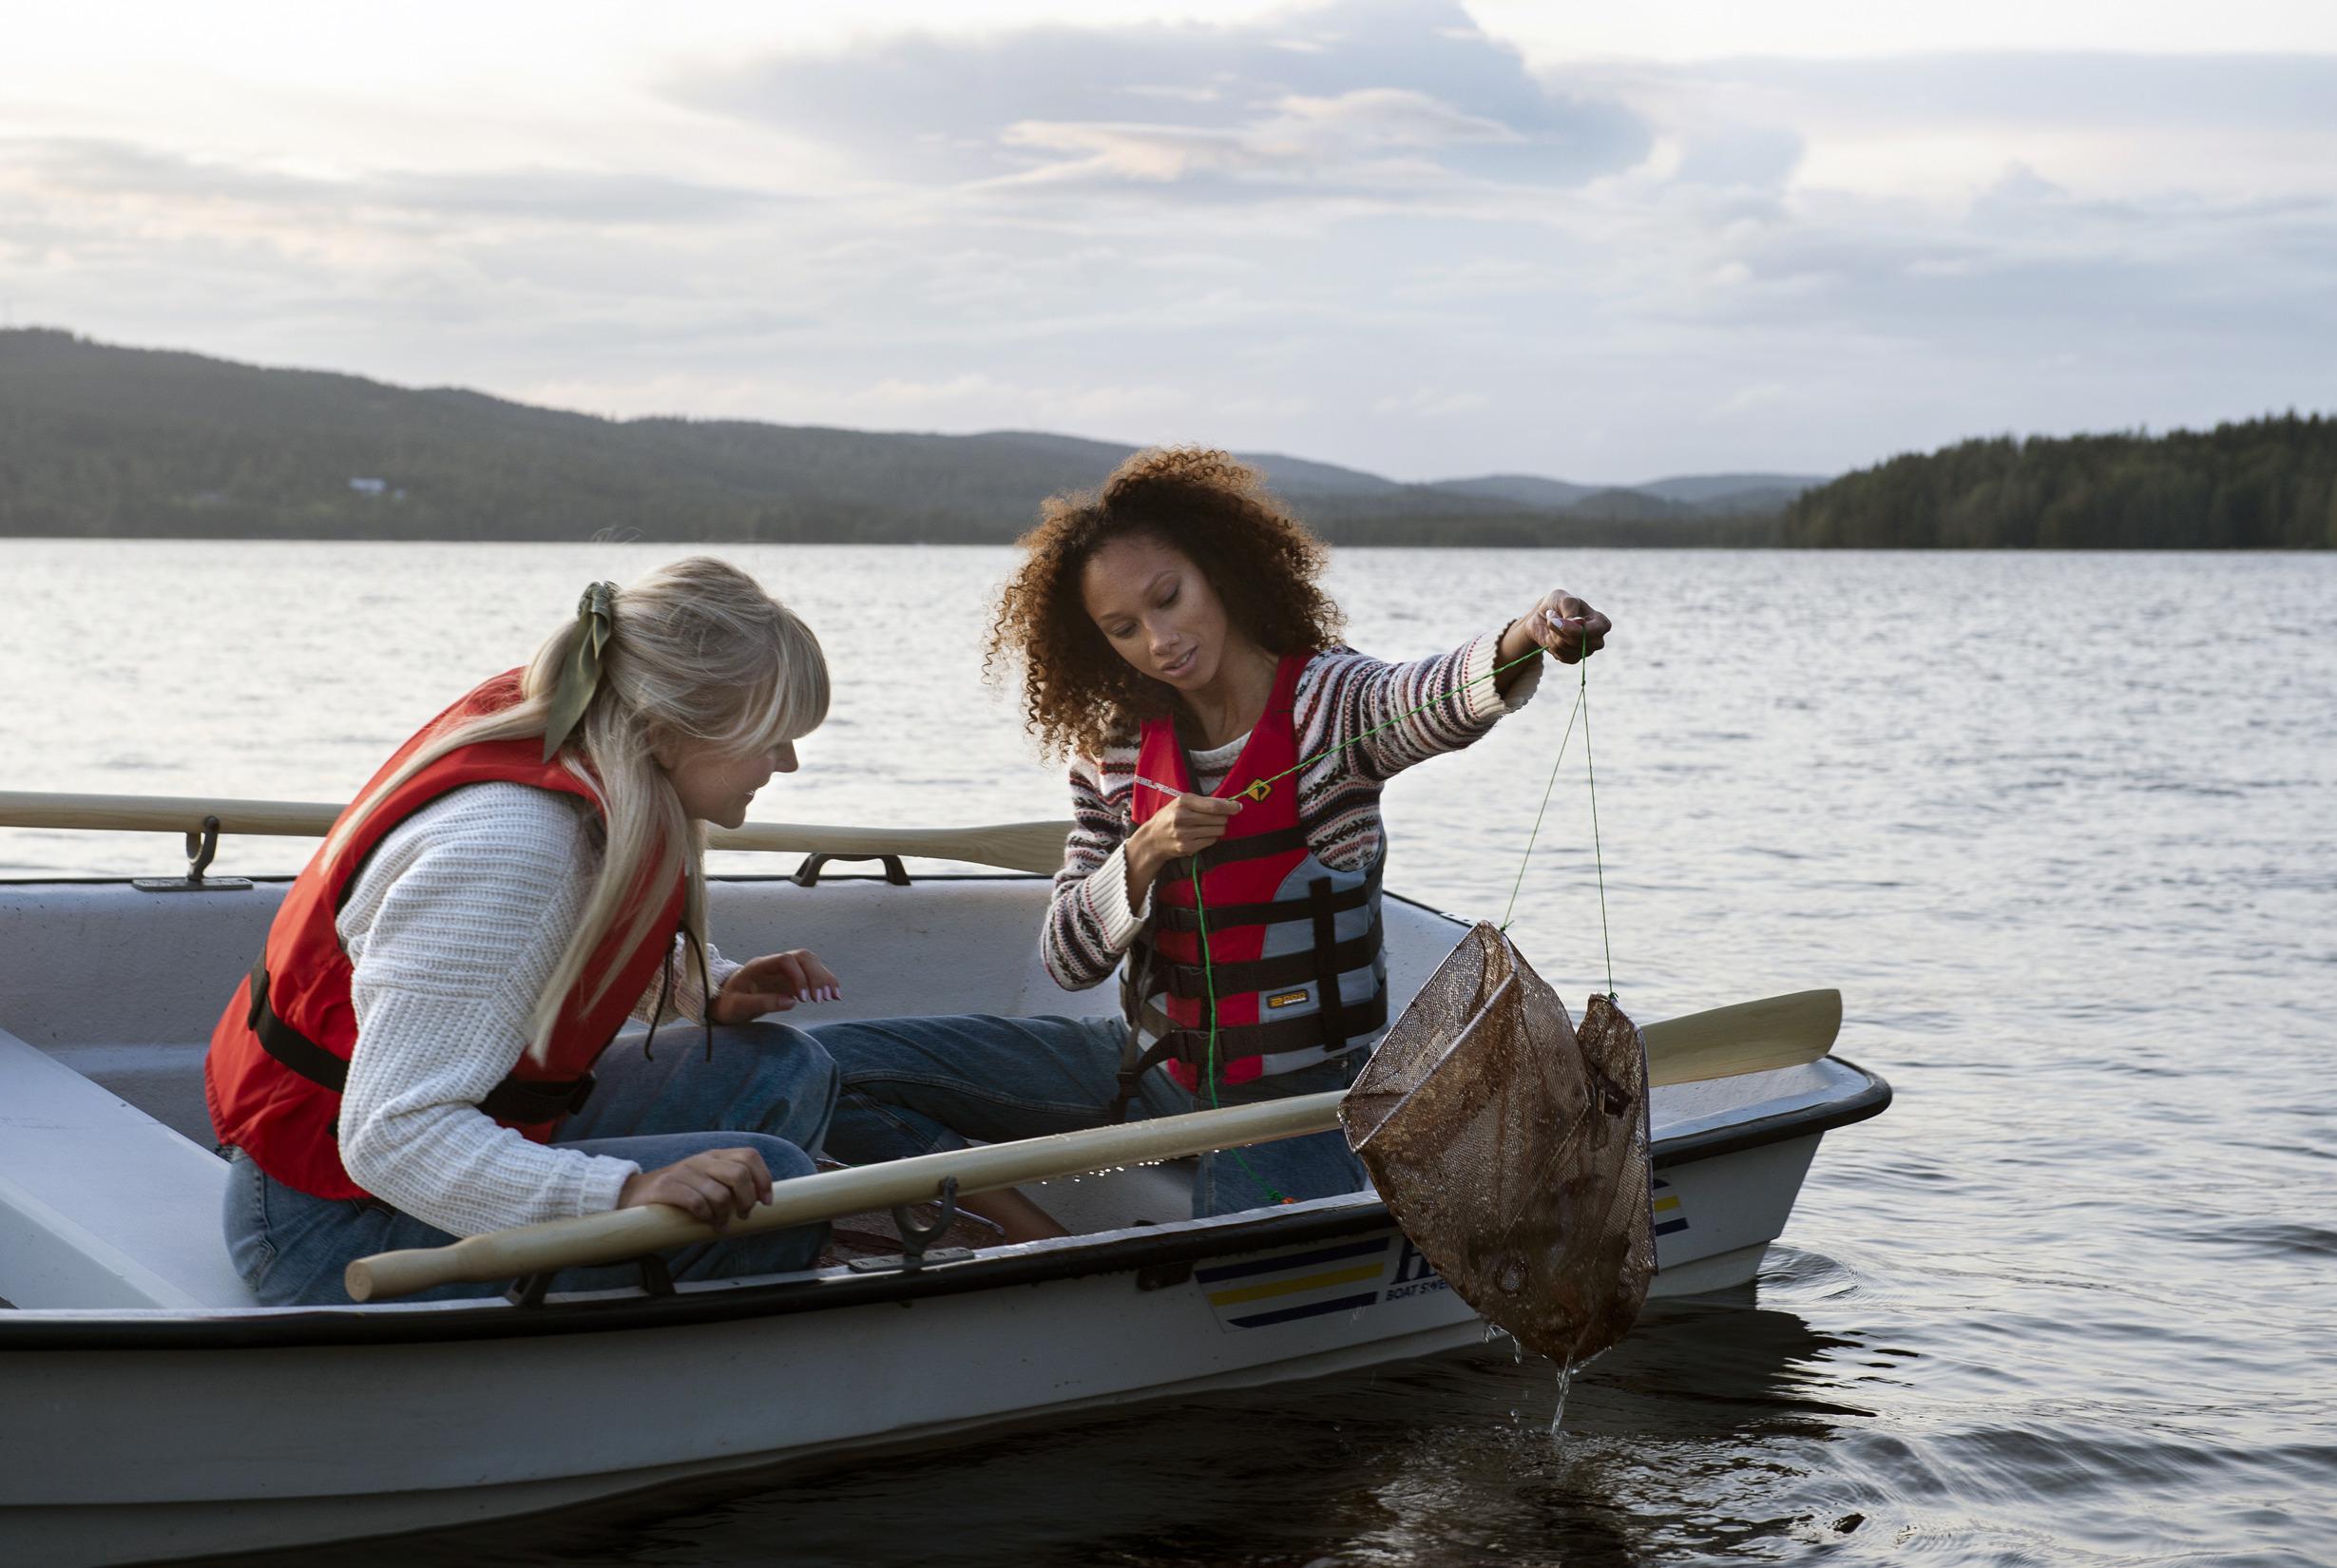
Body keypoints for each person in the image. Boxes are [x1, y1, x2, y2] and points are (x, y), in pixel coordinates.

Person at [815, 448, 1608, 1227]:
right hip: (1152, 1075)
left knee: (1236, 1266)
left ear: (1221, 569)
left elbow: (1427, 697)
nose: (1159, 639)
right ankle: (1032, 1242)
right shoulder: (1117, 753)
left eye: (1170, 596)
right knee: (828, 1071)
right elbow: (1065, 959)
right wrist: (1142, 851)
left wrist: (1526, 637)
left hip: (1296, 1102)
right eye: (1123, 627)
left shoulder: (1328, 703)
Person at [207, 558, 848, 1305]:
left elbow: (541, 955)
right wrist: (627, 1194)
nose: (790, 763)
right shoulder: (510, 852)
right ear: (668, 728)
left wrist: (700, 988)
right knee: (781, 1190)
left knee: (782, 1067)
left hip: (412, 1164)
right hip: (328, 1229)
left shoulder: (596, 746)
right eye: (771, 738)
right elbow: (393, 1138)